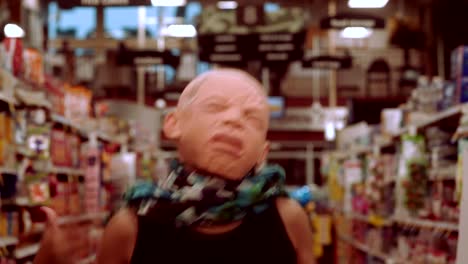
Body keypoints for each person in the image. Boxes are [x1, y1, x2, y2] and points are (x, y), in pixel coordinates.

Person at [34, 68, 316, 264]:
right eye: (216, 106)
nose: (234, 119)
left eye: (252, 118)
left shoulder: (288, 219)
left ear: (262, 151)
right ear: (173, 124)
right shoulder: (131, 226)